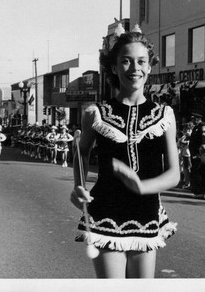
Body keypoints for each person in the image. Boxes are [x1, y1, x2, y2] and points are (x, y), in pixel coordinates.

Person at [69, 28, 179, 278]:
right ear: (114, 67)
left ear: (150, 67)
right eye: (126, 61)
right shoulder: (96, 113)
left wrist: (141, 187)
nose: (134, 68)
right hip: (106, 211)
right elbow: (82, 152)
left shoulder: (165, 115)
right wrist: (78, 185)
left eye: (141, 61)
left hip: (146, 212)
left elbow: (174, 175)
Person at [177, 124, 192, 189]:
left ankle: (188, 183)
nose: (184, 130)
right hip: (184, 153)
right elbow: (179, 143)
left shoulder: (188, 134)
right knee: (185, 169)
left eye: (185, 128)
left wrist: (183, 142)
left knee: (187, 169)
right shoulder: (185, 135)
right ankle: (186, 182)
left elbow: (181, 142)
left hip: (187, 153)